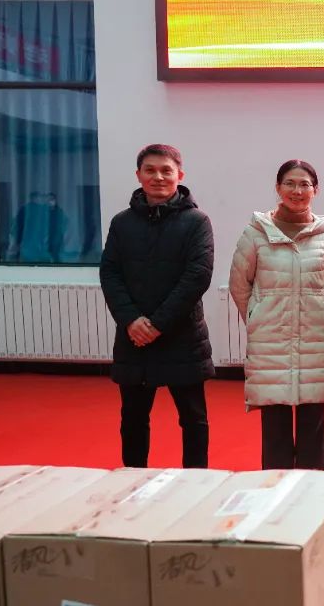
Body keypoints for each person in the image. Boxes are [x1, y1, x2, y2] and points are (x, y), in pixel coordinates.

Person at [99, 144, 214, 468]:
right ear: (139, 175)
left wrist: (158, 323)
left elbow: (197, 276)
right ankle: (133, 481)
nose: (158, 177)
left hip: (182, 336)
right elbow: (110, 272)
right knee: (133, 418)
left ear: (180, 175)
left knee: (193, 419)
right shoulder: (122, 223)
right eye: (150, 170)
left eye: (166, 170)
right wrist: (131, 320)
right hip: (134, 337)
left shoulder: (197, 222)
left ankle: (197, 482)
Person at [229, 160, 324, 471]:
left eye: (305, 184)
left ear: (315, 190)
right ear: (278, 188)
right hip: (271, 343)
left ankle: (313, 492)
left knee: (313, 427)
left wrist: (317, 314)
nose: (297, 190)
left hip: (314, 342)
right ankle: (275, 492)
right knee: (275, 429)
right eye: (290, 183)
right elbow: (240, 284)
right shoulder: (256, 233)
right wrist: (257, 316)